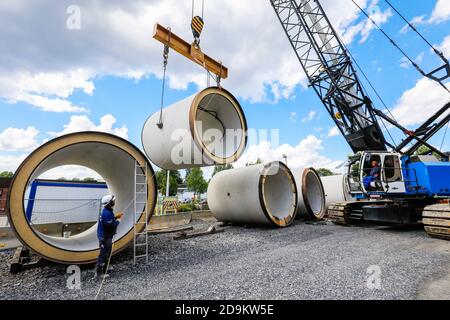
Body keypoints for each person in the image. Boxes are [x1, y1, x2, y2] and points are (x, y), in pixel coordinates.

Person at [95, 194, 123, 279]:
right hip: (105, 237)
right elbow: (111, 225)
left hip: (107, 236)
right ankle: (99, 273)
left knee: (108, 252)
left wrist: (115, 217)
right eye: (113, 201)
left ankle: (106, 268)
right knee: (103, 254)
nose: (114, 202)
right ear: (109, 203)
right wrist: (118, 220)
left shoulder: (107, 211)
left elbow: (109, 220)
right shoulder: (107, 213)